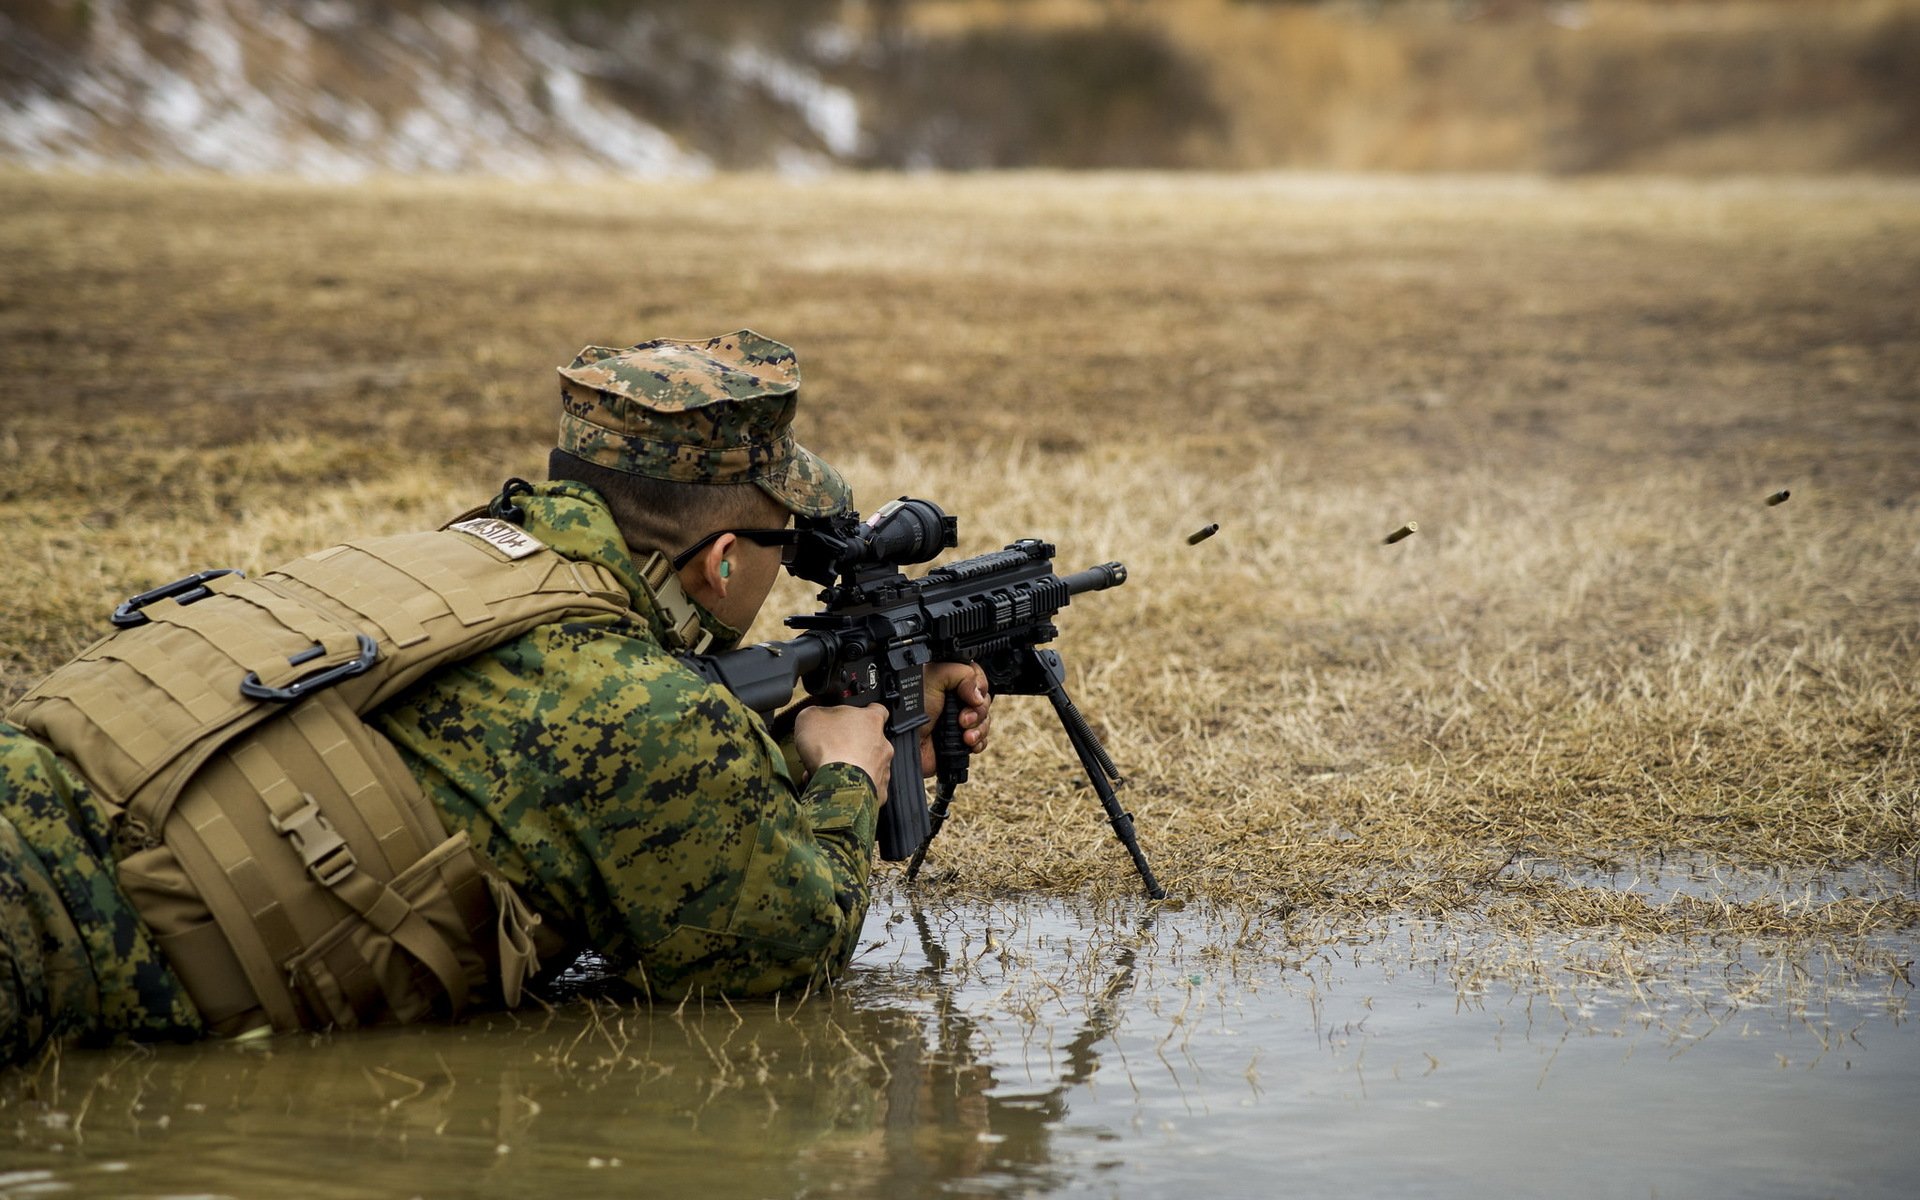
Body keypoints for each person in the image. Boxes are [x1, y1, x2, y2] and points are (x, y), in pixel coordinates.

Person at [0, 330, 991, 1067]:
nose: (790, 573)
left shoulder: (457, 565)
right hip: (53, 935)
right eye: (785, 547)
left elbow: (538, 780)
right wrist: (848, 773)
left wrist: (772, 751)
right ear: (723, 560)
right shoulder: (647, 716)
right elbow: (785, 943)